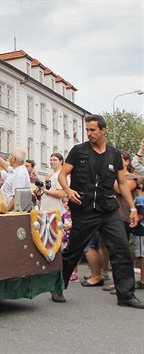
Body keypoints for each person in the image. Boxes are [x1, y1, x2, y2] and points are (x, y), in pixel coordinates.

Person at [51, 114, 144, 309]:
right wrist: (68, 190)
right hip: (84, 210)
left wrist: (133, 208)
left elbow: (122, 183)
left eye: (93, 130)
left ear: (103, 131)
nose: (89, 133)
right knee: (73, 251)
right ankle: (58, 286)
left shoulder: (114, 154)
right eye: (87, 130)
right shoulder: (78, 151)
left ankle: (126, 296)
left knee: (121, 250)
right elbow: (62, 174)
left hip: (109, 210)